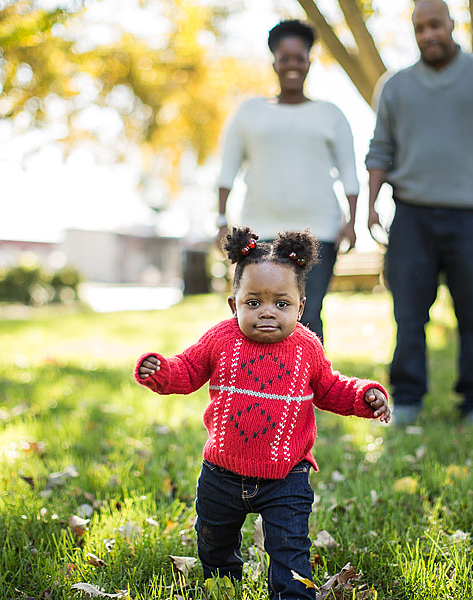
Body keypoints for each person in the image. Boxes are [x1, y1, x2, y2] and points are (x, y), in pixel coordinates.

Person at [135, 227, 391, 600]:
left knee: (290, 554)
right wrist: (160, 372)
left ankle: (291, 594)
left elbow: (332, 388)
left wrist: (365, 395)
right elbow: (187, 370)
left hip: (285, 477)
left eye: (281, 304)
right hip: (221, 474)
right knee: (214, 543)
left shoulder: (306, 347)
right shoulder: (220, 339)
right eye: (253, 303)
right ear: (233, 304)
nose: (267, 312)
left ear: (301, 307)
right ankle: (223, 586)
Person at [364, 0, 473, 431]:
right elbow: (380, 149)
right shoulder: (395, 86)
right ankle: (407, 399)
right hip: (412, 215)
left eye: (435, 25)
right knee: (408, 313)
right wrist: (370, 206)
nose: (428, 35)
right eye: (420, 28)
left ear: (453, 24)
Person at [216, 19, 360, 342]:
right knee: (257, 315)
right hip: (259, 232)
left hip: (319, 232)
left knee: (305, 315)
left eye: (300, 58)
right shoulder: (249, 113)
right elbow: (227, 172)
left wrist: (352, 221)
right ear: (274, 62)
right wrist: (221, 220)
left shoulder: (331, 114)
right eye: (285, 58)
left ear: (309, 62)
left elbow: (350, 173)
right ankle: (259, 389)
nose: (292, 65)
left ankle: (309, 391)